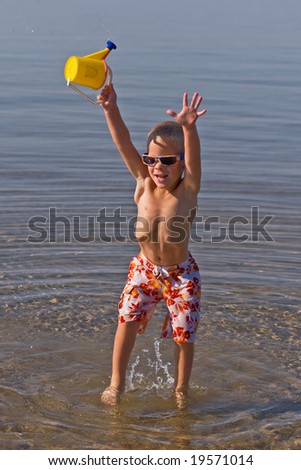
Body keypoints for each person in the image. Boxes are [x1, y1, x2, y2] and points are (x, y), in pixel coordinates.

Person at [97, 84, 206, 407]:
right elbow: (123, 142)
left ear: (182, 163)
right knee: (126, 320)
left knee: (183, 335)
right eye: (151, 159)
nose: (157, 167)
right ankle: (116, 384)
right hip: (144, 268)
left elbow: (196, 158)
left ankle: (180, 391)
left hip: (180, 274)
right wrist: (110, 108)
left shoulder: (188, 190)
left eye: (168, 160)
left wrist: (189, 128)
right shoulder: (143, 183)